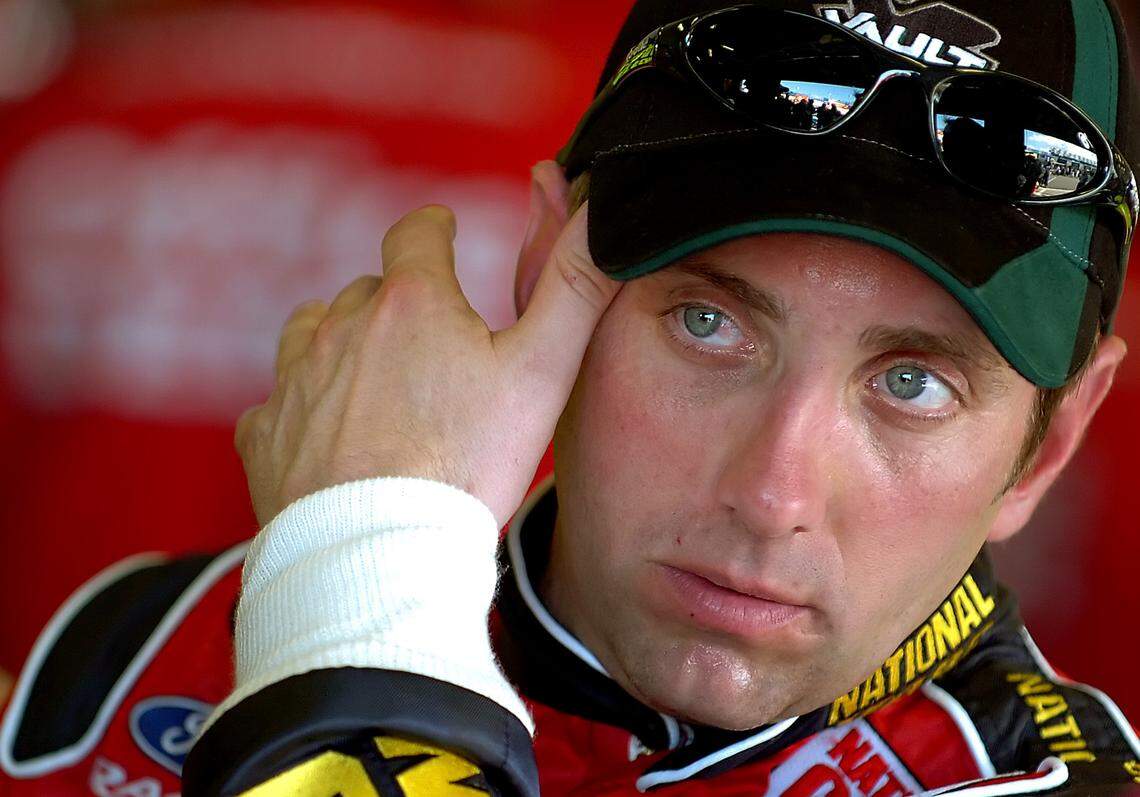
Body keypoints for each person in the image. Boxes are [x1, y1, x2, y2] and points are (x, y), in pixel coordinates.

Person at [2, 1, 1139, 795]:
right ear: (548, 271)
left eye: (911, 384)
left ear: (1047, 450)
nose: (772, 489)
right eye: (711, 322)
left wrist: (364, 596)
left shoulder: (1048, 779)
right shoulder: (135, 652)